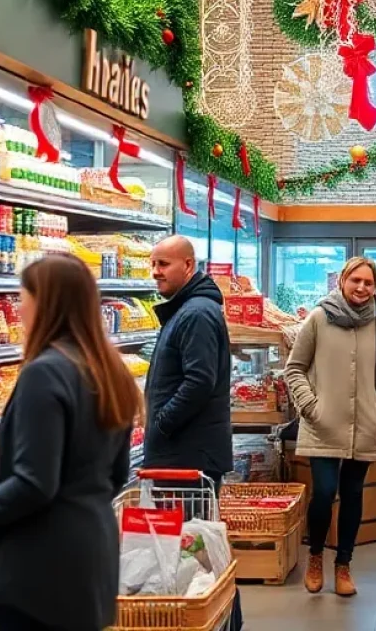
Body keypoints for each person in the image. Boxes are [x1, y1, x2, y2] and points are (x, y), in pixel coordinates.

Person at [0, 255, 142, 631]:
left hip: (42, 565)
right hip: (92, 552)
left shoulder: (45, 373)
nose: (19, 307)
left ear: (45, 303)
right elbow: (117, 475)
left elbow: (34, 482)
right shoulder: (111, 371)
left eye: (23, 296)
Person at [285, 256, 376, 597]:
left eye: (368, 283)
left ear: (375, 286)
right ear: (342, 282)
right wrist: (310, 406)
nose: (362, 288)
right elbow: (295, 368)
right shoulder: (319, 319)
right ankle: (316, 556)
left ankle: (344, 565)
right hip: (323, 424)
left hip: (366, 424)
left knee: (352, 495)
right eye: (356, 281)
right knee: (323, 492)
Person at [144, 236, 240, 629]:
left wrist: (162, 422)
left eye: (164, 264)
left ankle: (220, 620)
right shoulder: (190, 308)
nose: (155, 271)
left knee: (195, 548)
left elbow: (200, 380)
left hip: (187, 455)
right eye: (152, 263)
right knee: (200, 546)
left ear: (188, 265)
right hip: (185, 452)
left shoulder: (196, 313)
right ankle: (223, 620)